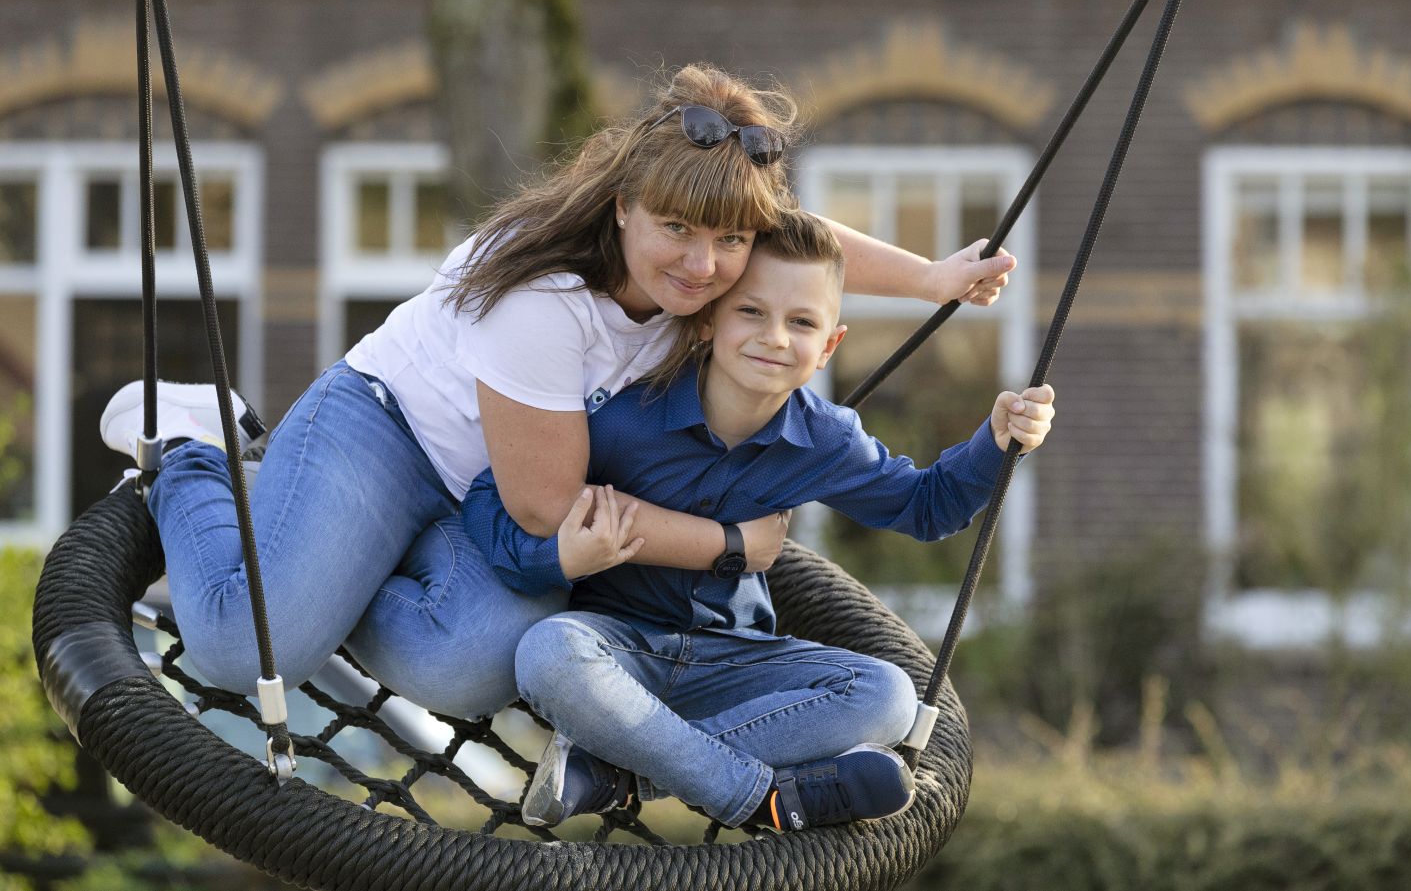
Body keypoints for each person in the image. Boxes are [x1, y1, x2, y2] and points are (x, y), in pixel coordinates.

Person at [97, 63, 1018, 720]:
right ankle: (196, 443)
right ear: (623, 205)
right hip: (388, 433)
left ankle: (331, 564)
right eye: (676, 230)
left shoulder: (713, 260)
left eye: (728, 241)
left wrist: (934, 279)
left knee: (470, 669)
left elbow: (801, 239)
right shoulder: (541, 299)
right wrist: (727, 542)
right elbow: (545, 509)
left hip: (476, 500)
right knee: (242, 647)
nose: (704, 268)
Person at [459, 210, 1056, 831]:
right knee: (548, 652)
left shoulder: (824, 440)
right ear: (710, 319)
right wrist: (558, 558)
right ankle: (763, 796)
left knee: (888, 696)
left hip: (736, 661)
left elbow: (927, 508)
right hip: (617, 653)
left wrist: (997, 439)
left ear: (829, 346)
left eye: (801, 323)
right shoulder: (626, 419)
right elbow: (492, 501)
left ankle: (618, 775)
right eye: (751, 312)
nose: (774, 337)